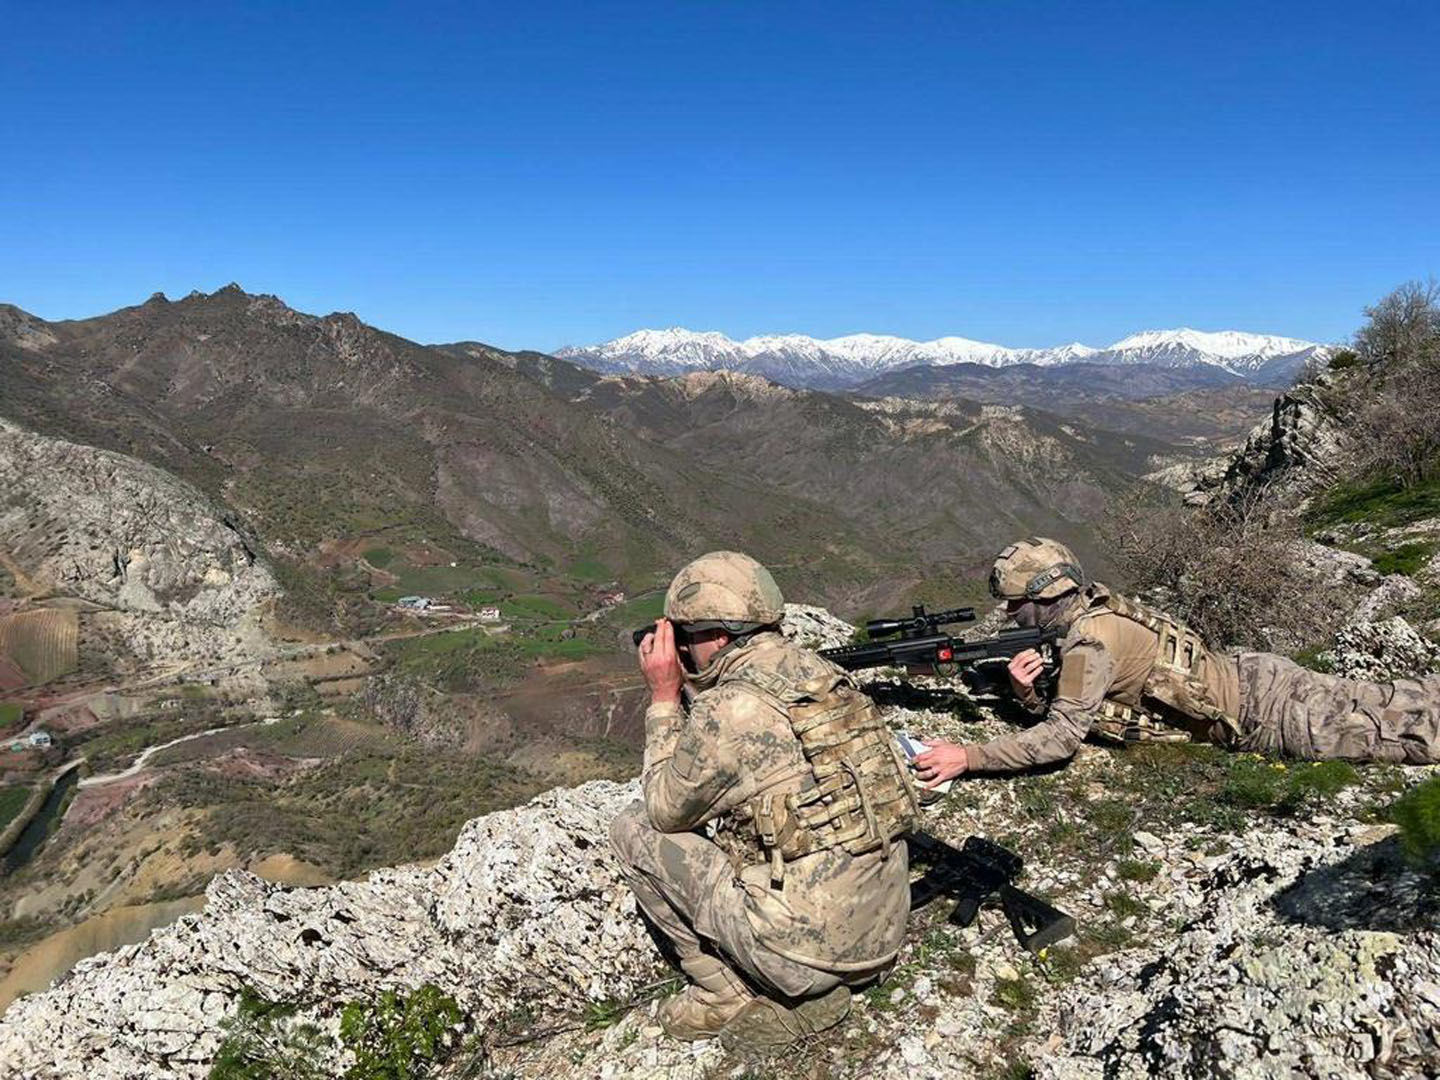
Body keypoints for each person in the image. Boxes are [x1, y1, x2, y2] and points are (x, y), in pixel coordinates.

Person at [609, 551, 917, 1048]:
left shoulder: (732, 709)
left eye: (686, 636)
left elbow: (665, 808)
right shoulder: (822, 674)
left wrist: (665, 698)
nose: (681, 648)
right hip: (882, 937)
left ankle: (722, 995)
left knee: (632, 830)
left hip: (803, 959)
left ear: (720, 636)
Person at [914, 536, 1440, 786]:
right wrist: (1028, 693)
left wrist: (967, 756)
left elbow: (1060, 739)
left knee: (1409, 734)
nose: (1009, 614)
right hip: (1262, 678)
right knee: (1397, 698)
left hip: (1273, 716)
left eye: (1014, 603)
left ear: (1047, 594)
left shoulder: (1088, 641)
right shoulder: (1093, 607)